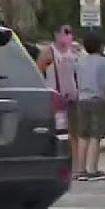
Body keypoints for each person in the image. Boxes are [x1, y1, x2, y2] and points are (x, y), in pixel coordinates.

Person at [36, 26, 82, 171]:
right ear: (56, 34)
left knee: (75, 132)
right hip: (56, 99)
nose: (68, 36)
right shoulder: (49, 52)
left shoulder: (73, 51)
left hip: (73, 97)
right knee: (58, 132)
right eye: (65, 32)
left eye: (70, 32)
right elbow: (39, 72)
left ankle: (76, 166)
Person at [74, 31, 105, 181]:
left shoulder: (79, 61)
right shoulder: (103, 62)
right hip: (97, 100)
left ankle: (80, 169)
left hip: (82, 99)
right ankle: (92, 169)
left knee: (82, 135)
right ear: (100, 46)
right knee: (95, 135)